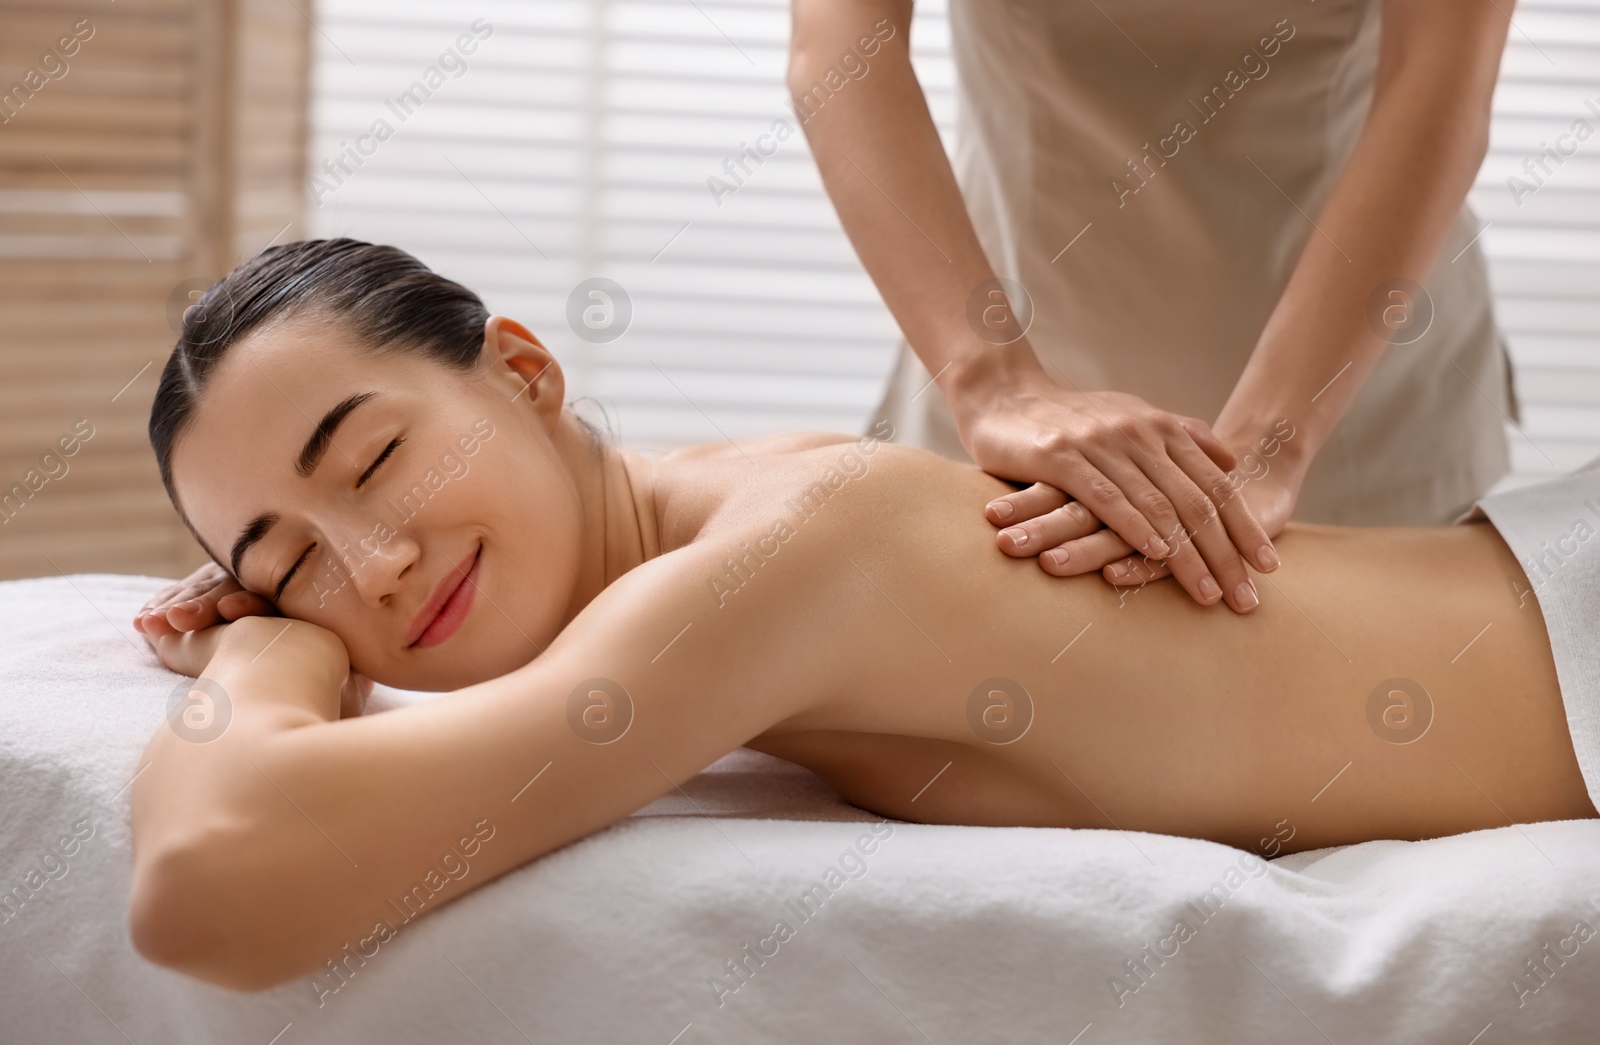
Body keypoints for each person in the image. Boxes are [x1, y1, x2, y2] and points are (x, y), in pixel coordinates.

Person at [129, 241, 1592, 993]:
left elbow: (211, 881)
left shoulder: (795, 546)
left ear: (521, 370)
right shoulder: (721, 525)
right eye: (286, 556)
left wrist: (270, 641)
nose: (372, 564)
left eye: (376, 460)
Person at [788, 0, 1521, 614]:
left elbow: (1441, 75)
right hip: (1014, 387)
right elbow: (841, 44)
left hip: (1358, 400)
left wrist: (1272, 440)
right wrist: (993, 382)